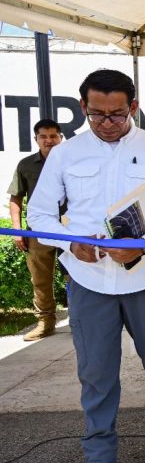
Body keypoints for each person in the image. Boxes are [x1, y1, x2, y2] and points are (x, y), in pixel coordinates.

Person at [27, 69, 145, 463]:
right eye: (97, 115)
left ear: (133, 106)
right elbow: (40, 213)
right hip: (88, 281)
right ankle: (100, 459)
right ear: (83, 107)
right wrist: (69, 242)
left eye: (117, 114)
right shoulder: (65, 153)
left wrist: (144, 243)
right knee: (96, 372)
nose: (108, 124)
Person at [8, 118, 64, 341]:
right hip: (39, 230)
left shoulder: (72, 163)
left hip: (70, 228)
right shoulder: (26, 165)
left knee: (78, 276)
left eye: (53, 136)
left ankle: (81, 320)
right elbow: (16, 198)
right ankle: (46, 322)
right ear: (36, 139)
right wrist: (17, 229)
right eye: (44, 136)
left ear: (61, 138)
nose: (49, 140)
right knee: (40, 279)